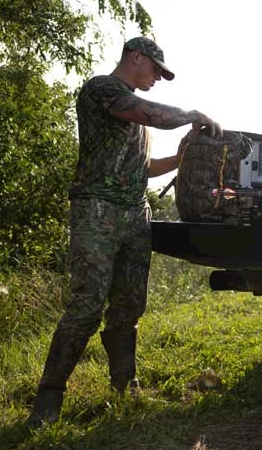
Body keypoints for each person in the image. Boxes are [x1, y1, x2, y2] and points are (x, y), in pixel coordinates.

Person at [27, 36, 222, 428]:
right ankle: (48, 398)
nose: (158, 79)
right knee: (87, 304)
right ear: (136, 58)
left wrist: (183, 156)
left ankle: (124, 385)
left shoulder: (137, 116)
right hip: (97, 211)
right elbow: (148, 113)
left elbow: (143, 169)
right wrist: (191, 114)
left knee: (130, 305)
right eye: (156, 71)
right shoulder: (103, 90)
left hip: (137, 215)